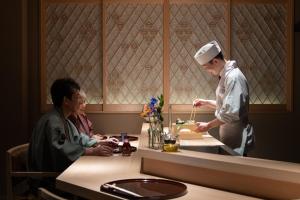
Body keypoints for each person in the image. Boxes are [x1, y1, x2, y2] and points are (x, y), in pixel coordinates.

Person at [28, 78, 115, 174]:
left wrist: (100, 143)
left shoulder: (64, 120)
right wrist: (92, 151)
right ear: (66, 100)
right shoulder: (53, 121)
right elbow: (61, 149)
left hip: (61, 173)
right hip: (49, 178)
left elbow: (78, 139)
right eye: (77, 97)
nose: (80, 102)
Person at [193, 40, 254, 156]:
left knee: (235, 170)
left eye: (207, 68)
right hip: (229, 133)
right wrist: (205, 102)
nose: (208, 72)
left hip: (237, 135)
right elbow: (227, 104)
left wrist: (208, 125)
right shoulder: (226, 76)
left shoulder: (233, 77)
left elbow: (230, 112)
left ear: (215, 61)